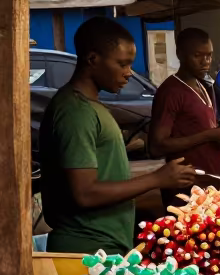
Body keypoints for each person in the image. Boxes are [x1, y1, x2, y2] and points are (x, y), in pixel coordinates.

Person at [39, 16, 195, 254]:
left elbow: (106, 174)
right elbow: (85, 193)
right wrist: (157, 179)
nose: (129, 73)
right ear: (93, 59)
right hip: (86, 250)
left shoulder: (92, 106)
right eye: (122, 64)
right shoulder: (75, 112)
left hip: (107, 246)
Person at [150, 28, 220, 190]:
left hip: (211, 182)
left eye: (209, 55)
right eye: (198, 56)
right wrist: (210, 134)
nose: (205, 61)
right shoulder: (170, 91)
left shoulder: (205, 86)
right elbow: (157, 147)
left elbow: (200, 130)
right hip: (186, 186)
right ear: (180, 54)